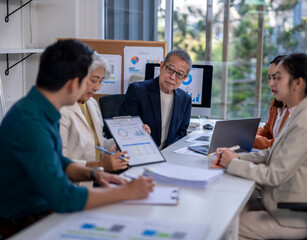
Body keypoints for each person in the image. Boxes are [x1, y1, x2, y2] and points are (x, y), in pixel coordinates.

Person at [0, 40, 154, 239]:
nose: (94, 88)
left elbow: (59, 161)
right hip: (23, 226)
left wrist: (94, 174)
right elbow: (63, 196)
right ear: (74, 83)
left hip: (40, 215)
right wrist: (127, 192)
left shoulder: (37, 109)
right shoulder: (30, 121)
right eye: (88, 80)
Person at [215, 53, 307, 239]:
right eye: (271, 78)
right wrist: (237, 157)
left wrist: (233, 164)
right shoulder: (295, 111)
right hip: (282, 201)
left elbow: (275, 175)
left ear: (297, 84)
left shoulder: (305, 120)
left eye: (278, 78)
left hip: (297, 214)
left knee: (228, 228)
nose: (272, 83)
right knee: (228, 212)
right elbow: (273, 152)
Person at [59, 52, 128, 172]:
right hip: (74, 184)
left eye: (101, 81)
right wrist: (100, 165)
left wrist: (127, 138)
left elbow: (99, 143)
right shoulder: (61, 110)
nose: (97, 87)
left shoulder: (92, 104)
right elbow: (59, 162)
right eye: (94, 80)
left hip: (98, 177)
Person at [120, 49, 192, 149]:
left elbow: (181, 132)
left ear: (185, 78)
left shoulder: (185, 99)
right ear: (162, 66)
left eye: (179, 74)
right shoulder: (137, 91)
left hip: (168, 155)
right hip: (142, 151)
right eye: (170, 69)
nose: (172, 77)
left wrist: (170, 149)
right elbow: (124, 128)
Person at [253, 55, 289, 149]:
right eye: (269, 78)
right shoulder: (276, 103)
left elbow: (281, 145)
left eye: (276, 78)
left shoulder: (299, 111)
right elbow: (268, 130)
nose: (271, 83)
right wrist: (247, 133)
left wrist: (251, 139)